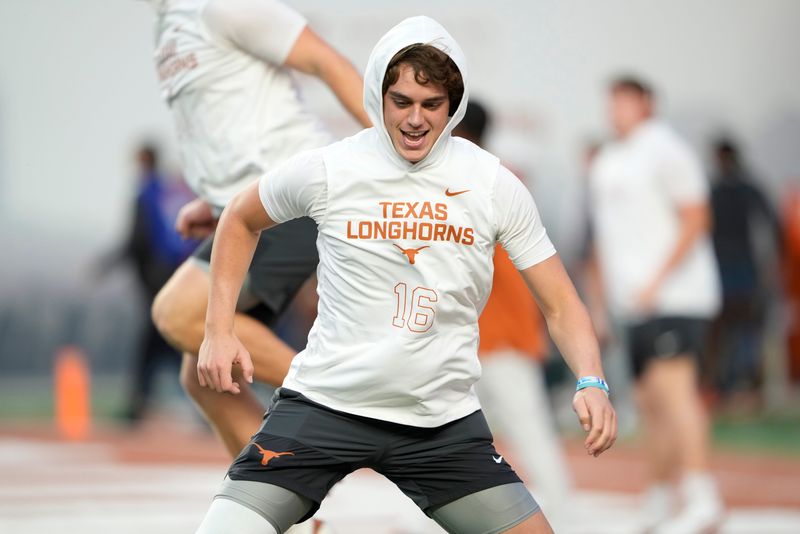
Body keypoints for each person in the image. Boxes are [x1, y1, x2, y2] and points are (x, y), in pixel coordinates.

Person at [194, 16, 616, 534]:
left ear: (453, 104)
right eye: (402, 101)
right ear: (378, 96)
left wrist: (592, 380)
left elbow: (561, 302)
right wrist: (219, 329)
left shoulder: (492, 184)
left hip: (440, 425)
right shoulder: (332, 168)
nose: (416, 119)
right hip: (326, 407)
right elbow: (240, 217)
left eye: (431, 104)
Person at [145, 0, 371, 457]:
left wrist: (402, 163)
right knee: (206, 375)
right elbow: (223, 123)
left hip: (293, 195)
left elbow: (327, 61)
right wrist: (215, 202)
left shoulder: (225, 6)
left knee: (178, 313)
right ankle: (279, 508)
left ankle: (343, 402)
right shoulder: (169, 26)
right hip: (245, 212)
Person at [588, 76, 724, 534]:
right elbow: (604, 242)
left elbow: (696, 218)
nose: (617, 110)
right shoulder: (607, 160)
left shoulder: (665, 149)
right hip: (634, 306)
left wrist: (657, 280)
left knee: (676, 392)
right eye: (613, 101)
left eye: (626, 101)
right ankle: (661, 496)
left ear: (646, 104)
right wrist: (605, 304)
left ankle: (702, 497)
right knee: (650, 402)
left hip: (676, 298)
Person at [453, 101, 573, 515]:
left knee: (523, 434)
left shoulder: (480, 184)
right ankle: (561, 513)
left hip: (495, 338)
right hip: (485, 338)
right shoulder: (495, 182)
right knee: (453, 441)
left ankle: (561, 515)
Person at [97, 143, 197, 422]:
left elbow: (136, 240)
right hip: (172, 276)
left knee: (163, 340)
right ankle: (141, 404)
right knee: (163, 343)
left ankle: (140, 405)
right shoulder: (168, 192)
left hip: (154, 282)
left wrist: (105, 265)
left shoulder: (146, 194)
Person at [707, 138, 782, 405]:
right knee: (744, 331)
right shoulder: (747, 189)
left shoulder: (715, 191)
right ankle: (742, 387)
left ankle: (736, 387)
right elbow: (774, 225)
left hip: (728, 272)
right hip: (741, 272)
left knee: (732, 333)